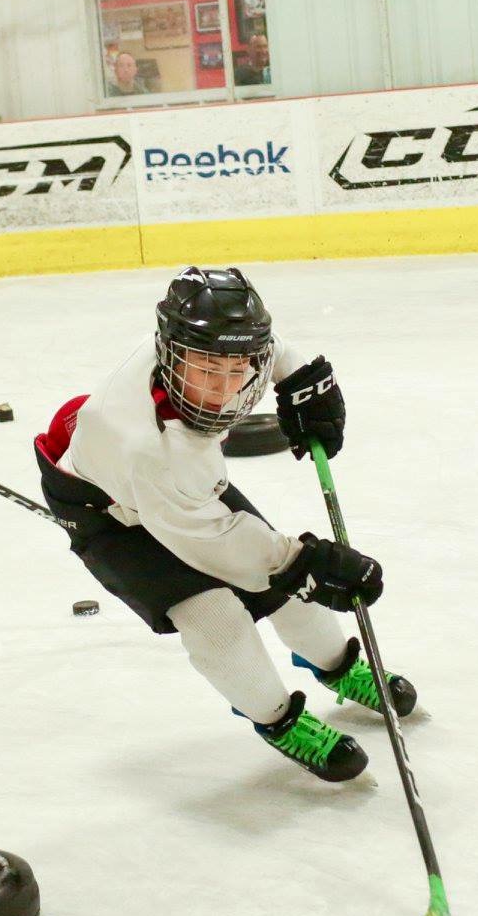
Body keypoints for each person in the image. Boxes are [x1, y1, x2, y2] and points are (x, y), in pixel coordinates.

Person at [33, 266, 417, 785]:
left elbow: (264, 347)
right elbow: (223, 547)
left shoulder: (205, 345)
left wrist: (302, 378)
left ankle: (340, 665)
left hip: (174, 487)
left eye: (238, 371)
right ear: (170, 355)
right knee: (217, 616)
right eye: (207, 371)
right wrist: (309, 564)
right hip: (106, 510)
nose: (223, 390)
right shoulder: (146, 445)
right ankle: (278, 719)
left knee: (285, 593)